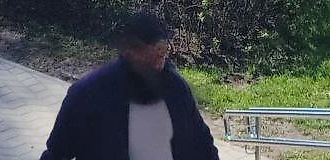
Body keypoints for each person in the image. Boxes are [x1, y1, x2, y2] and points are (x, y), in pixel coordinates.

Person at [39, 11, 218, 160]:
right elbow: (57, 154)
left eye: (162, 52)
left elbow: (202, 143)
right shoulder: (87, 94)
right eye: (150, 51)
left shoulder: (176, 89)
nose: (159, 59)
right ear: (128, 51)